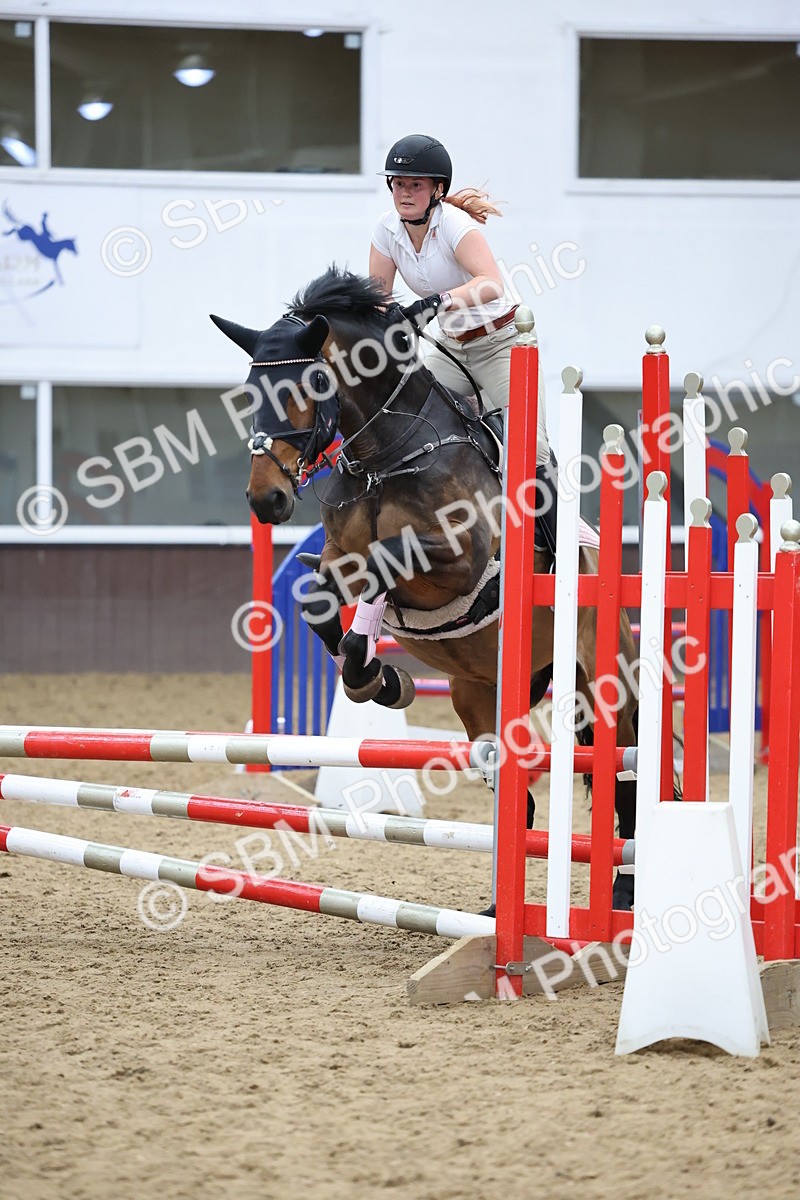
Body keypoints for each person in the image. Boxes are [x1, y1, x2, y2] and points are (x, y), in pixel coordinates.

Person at [368, 134, 553, 497]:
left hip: (503, 345)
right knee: (408, 424)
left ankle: (557, 540)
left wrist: (439, 302)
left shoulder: (455, 225)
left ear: (437, 189)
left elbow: (491, 284)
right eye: (398, 184)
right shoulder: (385, 229)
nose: (405, 193)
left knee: (533, 449)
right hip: (451, 349)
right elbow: (379, 297)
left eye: (415, 185)